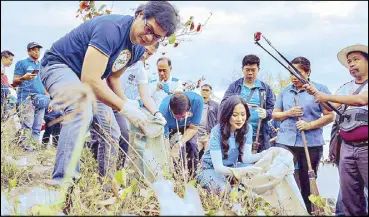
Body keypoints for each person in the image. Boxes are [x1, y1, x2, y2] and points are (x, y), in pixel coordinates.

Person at [39, 1, 180, 186]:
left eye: (156, 37)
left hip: (87, 82)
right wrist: (124, 108)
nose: (148, 38)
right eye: (148, 29)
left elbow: (112, 78)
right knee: (80, 110)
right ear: (139, 14)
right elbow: (90, 79)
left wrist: (127, 103)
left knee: (112, 132)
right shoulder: (111, 29)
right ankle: (63, 184)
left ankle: (105, 184)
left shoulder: (136, 49)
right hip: (60, 66)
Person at [303, 44, 368, 216]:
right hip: (347, 147)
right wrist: (316, 94)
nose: (352, 64)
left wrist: (326, 96)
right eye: (349, 62)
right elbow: (330, 107)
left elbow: (361, 100)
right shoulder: (345, 87)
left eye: (356, 60)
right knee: (350, 196)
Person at [272, 56, 335, 214]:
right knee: (284, 179)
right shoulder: (285, 91)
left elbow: (330, 116)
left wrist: (309, 125)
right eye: (290, 72)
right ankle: (286, 210)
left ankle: (307, 211)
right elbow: (275, 115)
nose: (293, 76)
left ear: (308, 72)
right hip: (285, 142)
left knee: (307, 182)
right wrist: (289, 112)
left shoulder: (319, 90)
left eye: (297, 72)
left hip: (311, 143)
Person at [197, 95, 265, 193]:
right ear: (227, 114)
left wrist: (266, 154)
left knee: (259, 176)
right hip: (211, 169)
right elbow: (218, 168)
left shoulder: (248, 128)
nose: (240, 119)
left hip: (233, 167)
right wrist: (242, 172)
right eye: (235, 115)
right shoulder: (216, 131)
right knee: (224, 190)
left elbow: (246, 158)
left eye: (243, 114)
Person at [221, 54, 275, 153]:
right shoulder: (235, 86)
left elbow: (273, 109)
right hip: (238, 134)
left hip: (259, 135)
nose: (250, 73)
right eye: (247, 70)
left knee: (259, 164)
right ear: (242, 69)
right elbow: (224, 106)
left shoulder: (265, 88)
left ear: (258, 69)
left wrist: (267, 113)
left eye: (253, 70)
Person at [12, 42, 50, 151]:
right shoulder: (22, 63)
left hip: (41, 98)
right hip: (26, 98)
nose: (37, 52)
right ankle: (27, 149)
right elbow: (14, 82)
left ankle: (34, 149)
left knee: (37, 126)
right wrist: (24, 78)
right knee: (27, 125)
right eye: (34, 50)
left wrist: (48, 99)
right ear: (29, 51)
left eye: (38, 50)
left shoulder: (41, 65)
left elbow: (43, 83)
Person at [159, 92, 204, 178]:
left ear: (189, 108)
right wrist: (170, 157)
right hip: (171, 127)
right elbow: (165, 140)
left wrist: (178, 144)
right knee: (167, 153)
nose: (180, 118)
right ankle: (174, 175)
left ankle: (192, 175)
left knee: (192, 145)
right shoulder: (162, 111)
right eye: (177, 116)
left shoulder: (198, 101)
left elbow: (193, 128)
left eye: (182, 116)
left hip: (189, 126)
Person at [198, 84, 219, 159]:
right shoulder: (196, 104)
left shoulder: (216, 105)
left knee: (207, 156)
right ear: (200, 91)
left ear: (210, 92)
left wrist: (212, 133)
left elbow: (218, 121)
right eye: (203, 90)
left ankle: (204, 169)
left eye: (207, 90)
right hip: (197, 134)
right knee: (193, 154)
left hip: (208, 135)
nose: (205, 92)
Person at [1, 50, 15, 115]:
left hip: (5, 89)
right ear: (3, 58)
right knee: (11, 100)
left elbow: (5, 80)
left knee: (12, 100)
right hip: (3, 90)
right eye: (10, 60)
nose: (11, 62)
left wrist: (11, 85)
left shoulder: (3, 68)